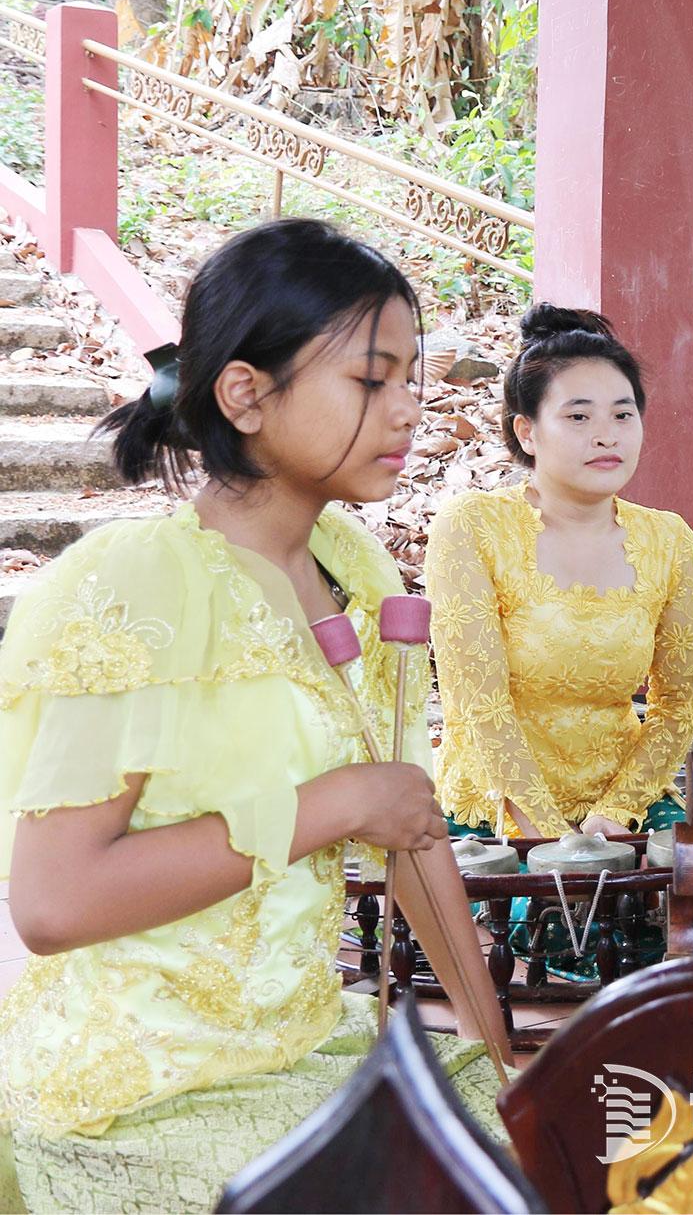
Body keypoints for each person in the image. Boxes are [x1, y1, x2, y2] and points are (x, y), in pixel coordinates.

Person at [0, 219, 499, 1211]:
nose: (410, 410)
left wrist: (503, 1053)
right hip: (141, 1093)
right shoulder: (139, 582)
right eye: (370, 381)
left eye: (413, 377)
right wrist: (330, 802)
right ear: (245, 393)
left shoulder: (356, 567)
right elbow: (52, 905)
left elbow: (407, 821)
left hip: (303, 1049)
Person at [427, 305, 693, 841]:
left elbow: (679, 705)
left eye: (623, 415)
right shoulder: (473, 526)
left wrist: (617, 810)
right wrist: (554, 840)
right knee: (531, 915)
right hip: (497, 802)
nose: (607, 436)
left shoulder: (668, 540)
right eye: (579, 417)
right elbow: (478, 704)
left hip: (624, 800)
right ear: (527, 432)